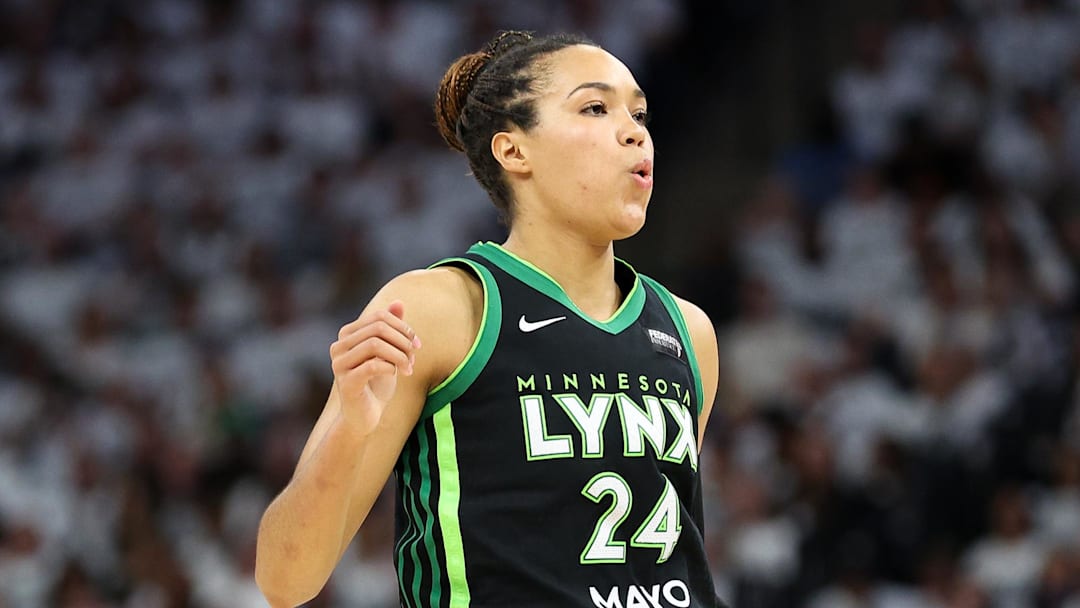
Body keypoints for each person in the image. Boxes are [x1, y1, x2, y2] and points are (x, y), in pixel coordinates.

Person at [255, 31, 723, 608]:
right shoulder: (442, 308)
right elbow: (284, 580)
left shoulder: (688, 330)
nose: (635, 132)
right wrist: (351, 430)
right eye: (596, 107)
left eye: (640, 113)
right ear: (514, 151)